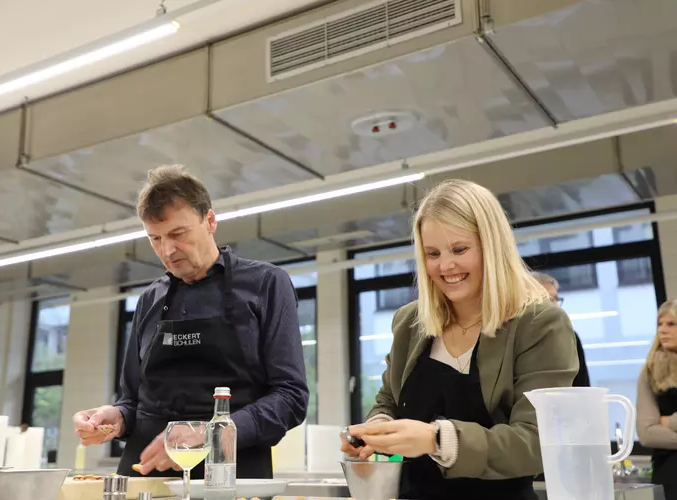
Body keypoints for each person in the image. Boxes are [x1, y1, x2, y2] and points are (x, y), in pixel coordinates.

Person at [341, 179, 578, 500]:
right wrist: (376, 431)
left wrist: (437, 439)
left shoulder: (540, 324)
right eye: (432, 253)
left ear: (492, 247)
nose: (445, 266)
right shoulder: (410, 322)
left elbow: (537, 443)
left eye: (459, 249)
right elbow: (389, 401)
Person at [72, 165, 309, 479]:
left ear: (210, 221)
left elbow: (290, 397)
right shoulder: (149, 300)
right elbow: (132, 399)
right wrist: (117, 417)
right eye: (155, 238)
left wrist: (209, 434)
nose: (167, 250)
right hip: (146, 472)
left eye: (177, 234)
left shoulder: (266, 284)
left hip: (230, 475)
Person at [637, 299, 677, 500]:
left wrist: (668, 421)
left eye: (671, 324)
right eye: (659, 324)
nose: (663, 330)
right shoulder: (649, 372)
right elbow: (647, 433)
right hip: (669, 470)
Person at [531, 271, 591, 387]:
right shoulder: (517, 341)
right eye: (548, 299)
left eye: (555, 299)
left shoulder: (571, 338)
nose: (555, 306)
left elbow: (583, 386)